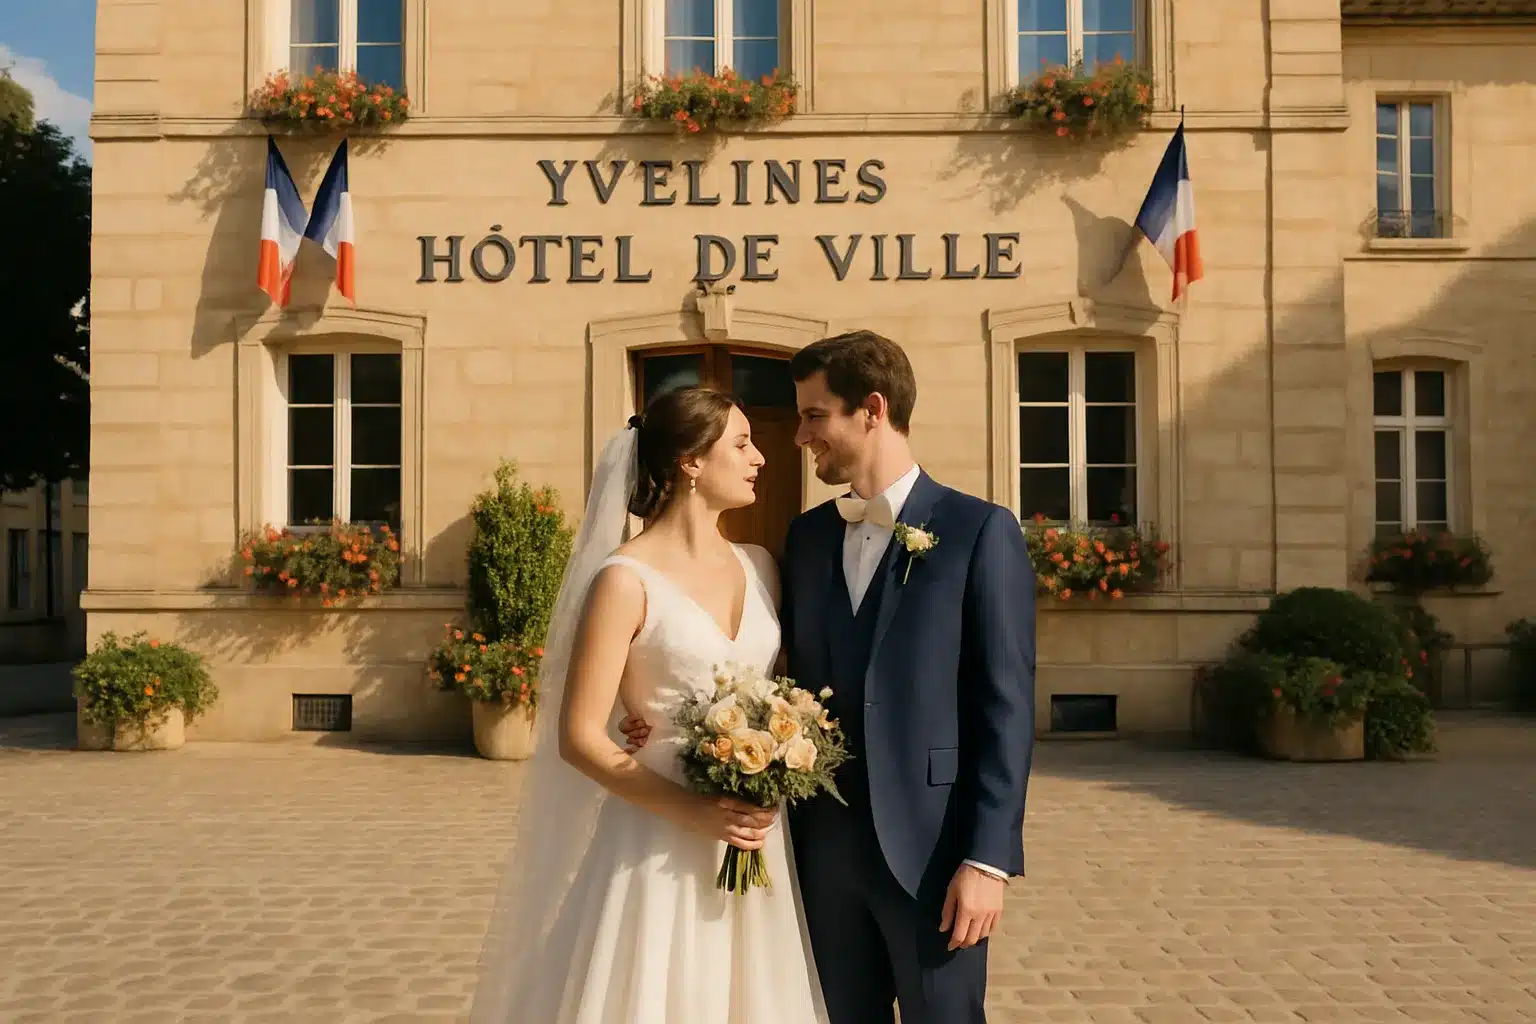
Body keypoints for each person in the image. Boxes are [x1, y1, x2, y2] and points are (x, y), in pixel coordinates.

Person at [620, 330, 1038, 1023]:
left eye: (814, 415)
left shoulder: (980, 531)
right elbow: (754, 669)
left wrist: (987, 862)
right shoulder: (806, 538)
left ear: (871, 410)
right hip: (816, 860)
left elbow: (1007, 708)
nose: (799, 436)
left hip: (934, 856)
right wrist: (645, 711)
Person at [469, 386, 832, 1024]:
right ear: (691, 462)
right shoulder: (624, 580)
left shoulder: (760, 566)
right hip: (656, 834)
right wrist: (696, 811)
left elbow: (776, 692)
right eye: (742, 444)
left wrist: (780, 756)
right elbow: (578, 736)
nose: (760, 459)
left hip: (752, 836)